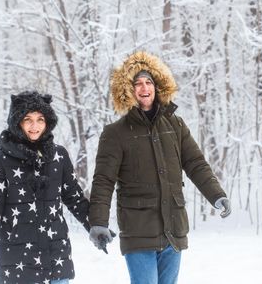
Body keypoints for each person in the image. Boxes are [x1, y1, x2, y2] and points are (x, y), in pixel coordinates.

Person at [87, 51, 231, 284]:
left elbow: (195, 163)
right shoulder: (115, 133)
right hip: (138, 229)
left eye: (148, 82)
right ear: (128, 90)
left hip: (173, 227)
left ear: (157, 86)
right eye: (138, 83)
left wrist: (217, 195)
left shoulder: (175, 124)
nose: (144, 88)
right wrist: (98, 223)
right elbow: (103, 180)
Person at [0, 91, 90, 284]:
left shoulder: (59, 155)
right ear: (17, 122)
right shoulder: (0, 159)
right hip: (17, 258)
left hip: (56, 252)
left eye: (40, 119)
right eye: (28, 119)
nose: (35, 126)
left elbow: (74, 198)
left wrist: (96, 226)